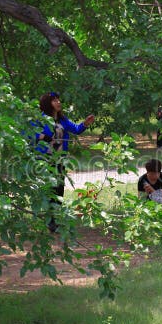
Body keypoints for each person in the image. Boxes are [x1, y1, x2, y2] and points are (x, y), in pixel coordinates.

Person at [34, 92, 95, 231]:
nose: (58, 102)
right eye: (54, 100)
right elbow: (30, 132)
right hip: (45, 159)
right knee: (50, 188)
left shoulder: (63, 120)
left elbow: (77, 129)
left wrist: (85, 123)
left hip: (60, 159)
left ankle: (55, 219)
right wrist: (44, 137)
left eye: (58, 100)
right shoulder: (41, 119)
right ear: (47, 104)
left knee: (59, 189)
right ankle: (49, 221)